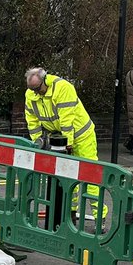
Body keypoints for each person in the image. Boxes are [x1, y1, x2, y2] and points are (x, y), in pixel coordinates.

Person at [24, 67, 102, 219]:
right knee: (68, 176)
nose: (35, 93)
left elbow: (67, 119)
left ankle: (100, 217)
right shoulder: (31, 94)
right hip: (61, 139)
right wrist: (37, 143)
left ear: (45, 80)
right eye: (32, 90)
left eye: (38, 89)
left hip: (82, 136)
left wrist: (68, 144)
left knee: (90, 176)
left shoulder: (63, 88)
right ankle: (70, 213)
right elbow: (32, 121)